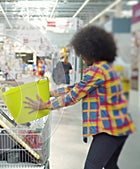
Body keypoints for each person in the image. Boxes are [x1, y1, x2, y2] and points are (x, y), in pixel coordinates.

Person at [24, 25, 135, 169]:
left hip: (110, 128)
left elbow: (73, 97)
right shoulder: (105, 67)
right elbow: (78, 87)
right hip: (121, 125)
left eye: (82, 55)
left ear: (91, 52)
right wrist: (51, 93)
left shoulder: (97, 71)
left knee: (91, 166)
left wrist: (45, 105)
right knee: (110, 166)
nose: (82, 60)